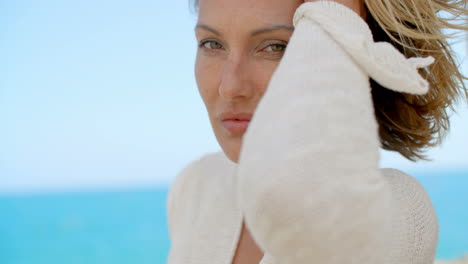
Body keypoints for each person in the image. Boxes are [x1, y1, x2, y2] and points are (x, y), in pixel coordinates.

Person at [166, 0, 468, 263]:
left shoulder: (399, 214)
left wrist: (336, 12)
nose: (230, 87)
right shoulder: (195, 186)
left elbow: (312, 207)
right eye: (211, 44)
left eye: (276, 47)